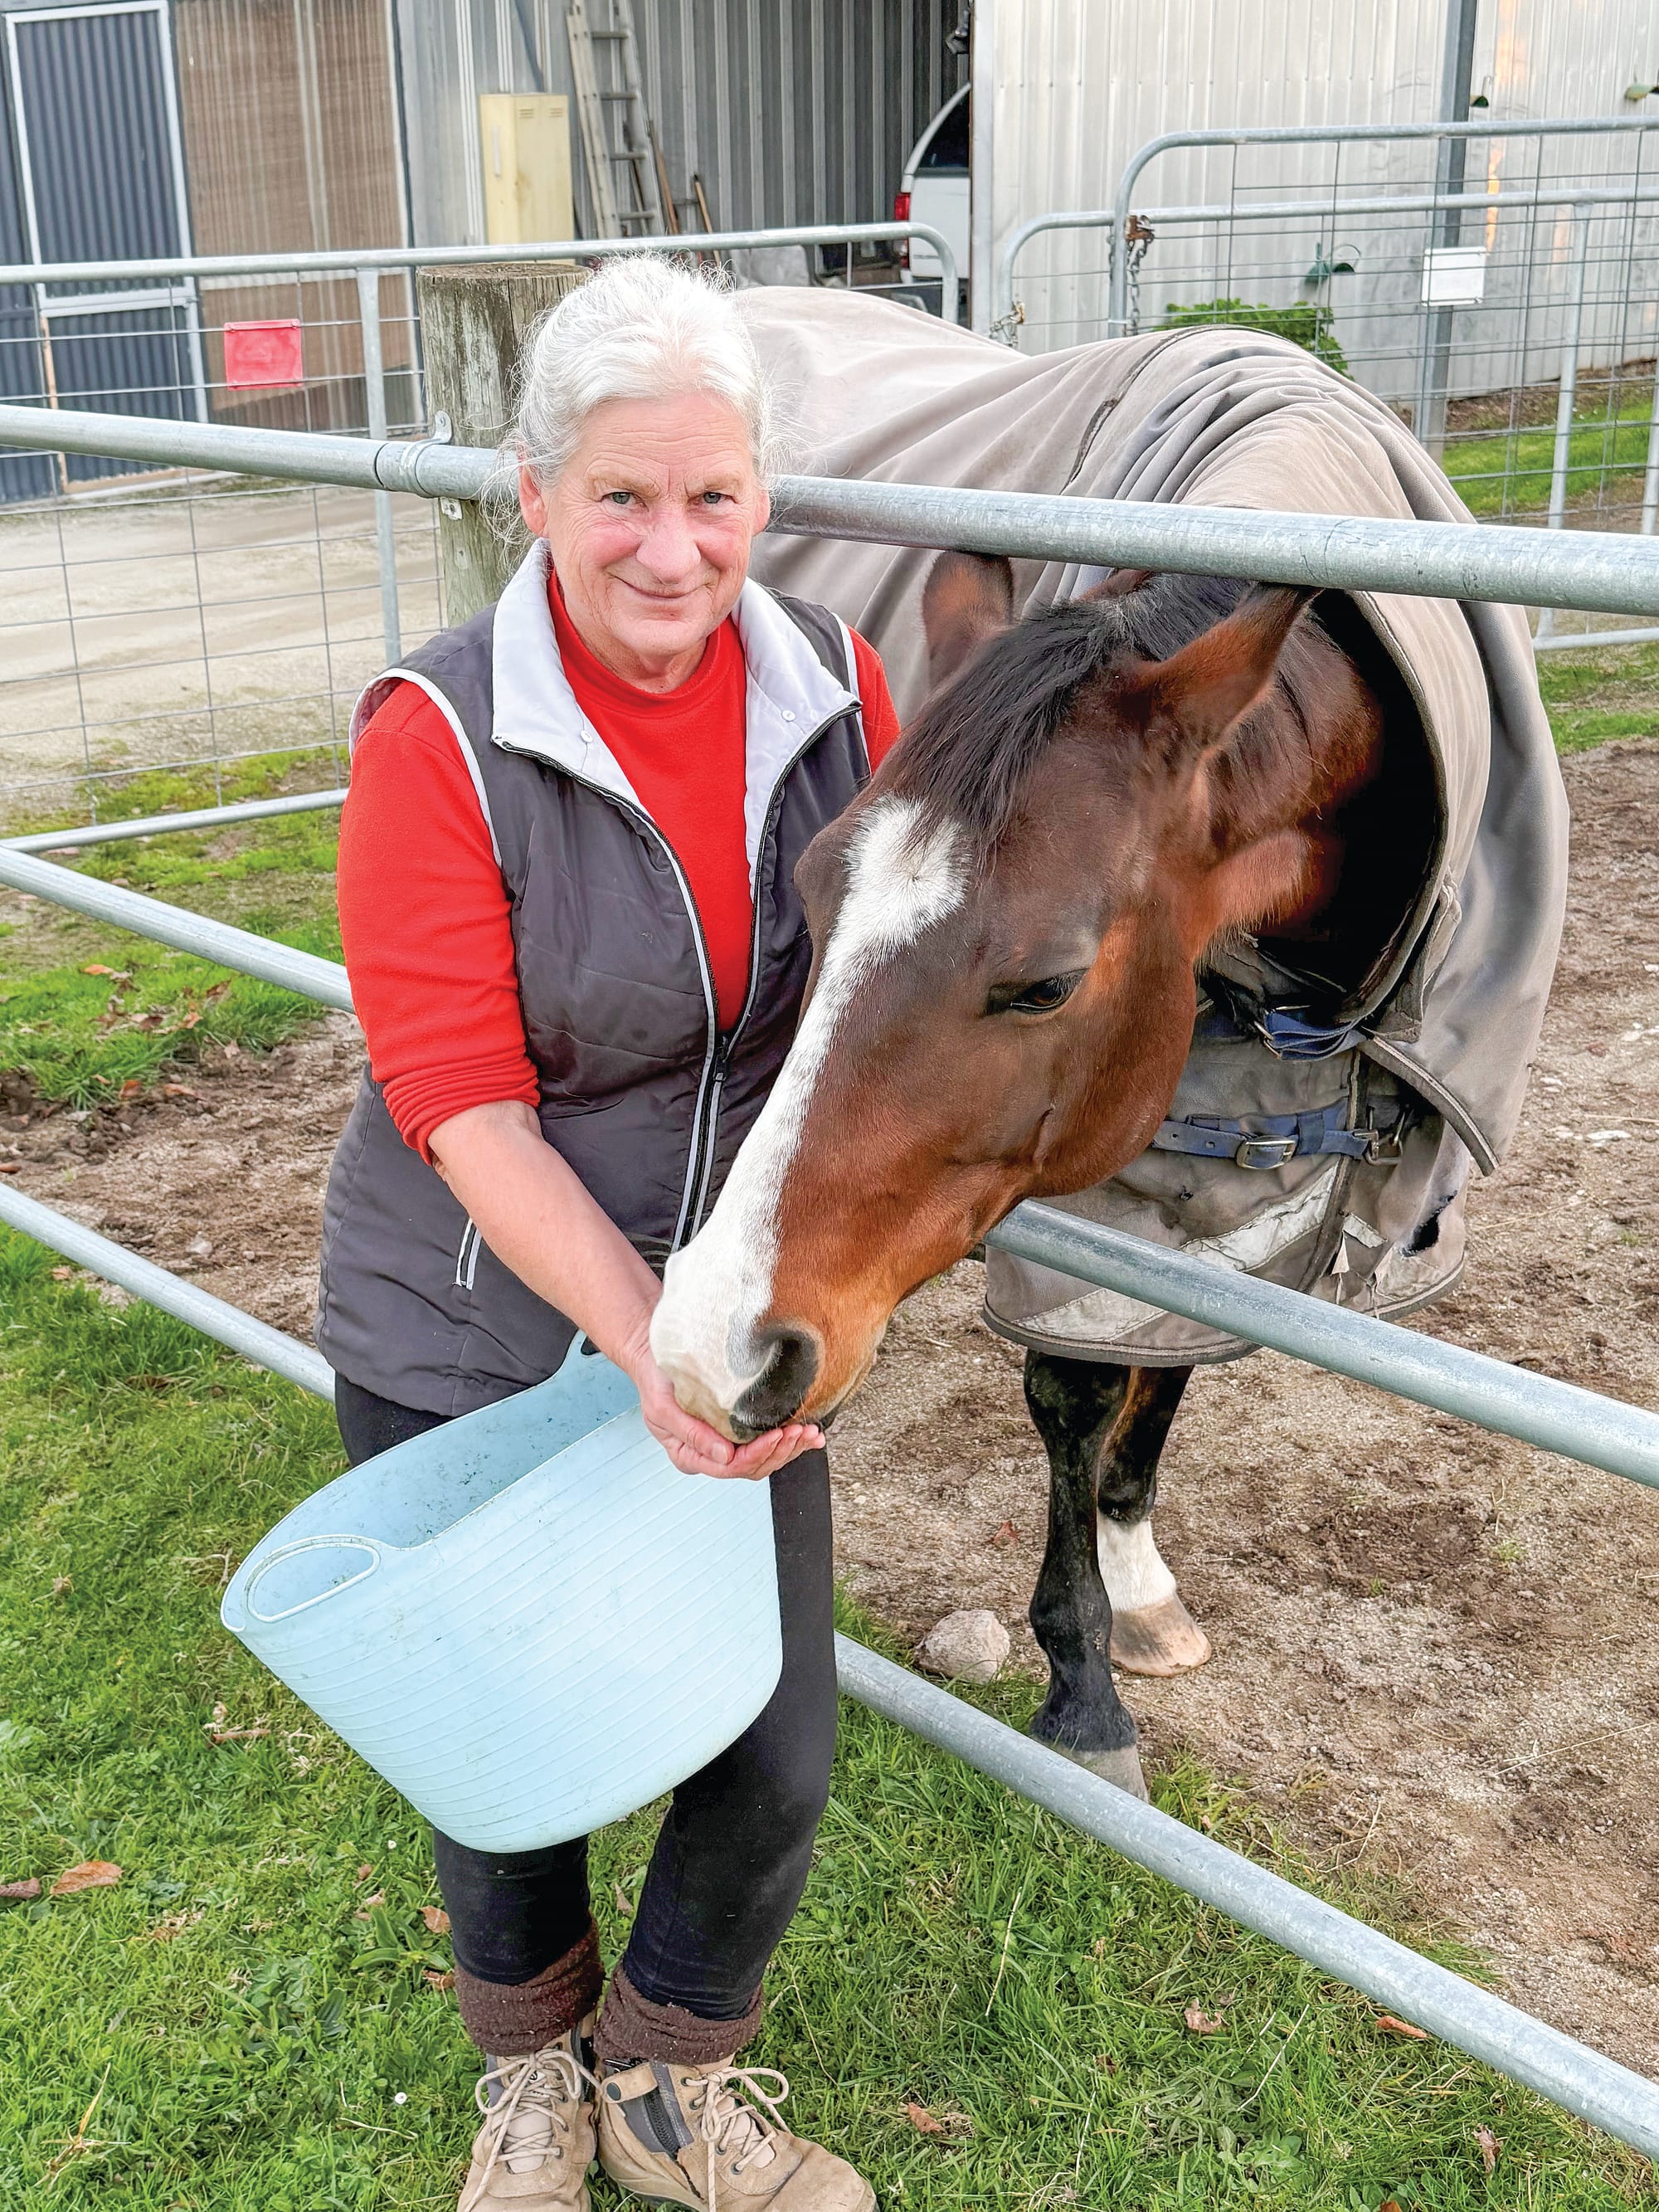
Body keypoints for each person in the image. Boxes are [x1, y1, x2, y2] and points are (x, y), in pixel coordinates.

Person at [316, 256, 900, 2212]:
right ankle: (526, 2081)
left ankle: (662, 2083)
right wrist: (647, 1341)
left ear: (765, 496)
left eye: (716, 495)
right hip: (474, 1323)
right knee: (503, 1743)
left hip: (734, 1311)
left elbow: (888, 998)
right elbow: (463, 1102)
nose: (674, 549)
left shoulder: (836, 686)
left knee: (769, 1740)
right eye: (624, 496)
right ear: (534, 490)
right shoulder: (439, 735)